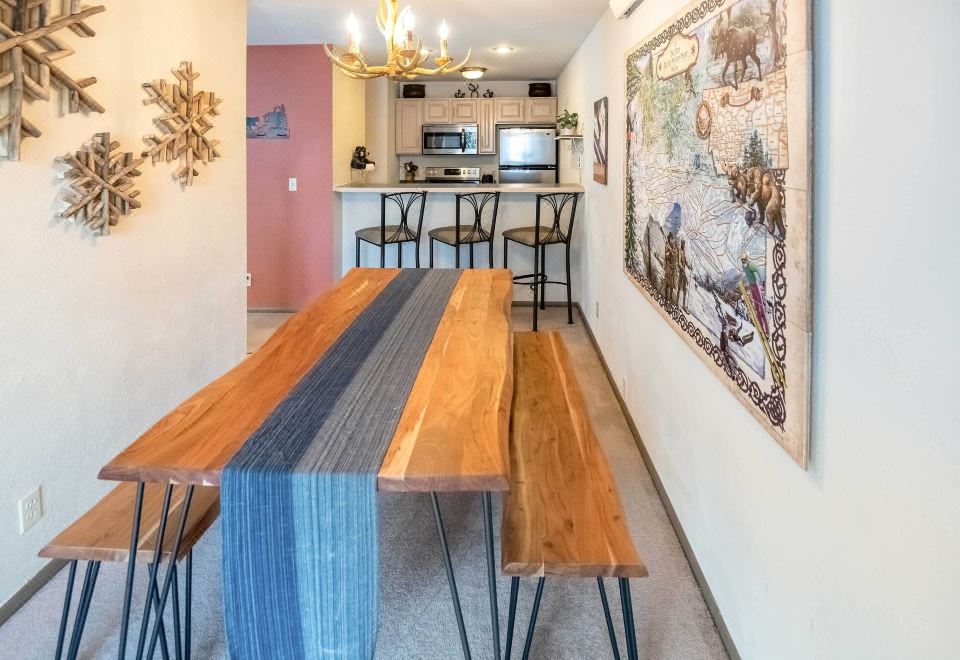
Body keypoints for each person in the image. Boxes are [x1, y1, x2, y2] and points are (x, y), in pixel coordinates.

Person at [740, 252, 769, 336]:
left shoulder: (750, 265)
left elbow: (758, 270)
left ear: (746, 258)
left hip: (756, 286)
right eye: (742, 260)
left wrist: (762, 281)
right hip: (751, 287)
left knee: (761, 308)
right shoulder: (744, 267)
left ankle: (767, 331)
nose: (743, 261)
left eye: (744, 259)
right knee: (757, 309)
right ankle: (761, 330)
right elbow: (747, 275)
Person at [664, 232, 677, 304]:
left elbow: (675, 256)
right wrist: (669, 253)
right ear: (669, 238)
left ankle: (670, 298)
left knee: (671, 284)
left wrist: (673, 251)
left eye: (672, 239)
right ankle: (666, 297)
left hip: (672, 268)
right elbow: (666, 256)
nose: (672, 240)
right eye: (671, 238)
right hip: (668, 267)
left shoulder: (673, 246)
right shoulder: (667, 246)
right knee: (667, 283)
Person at [677, 239, 690, 309]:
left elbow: (685, 261)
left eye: (684, 244)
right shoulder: (679, 251)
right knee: (679, 287)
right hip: (681, 271)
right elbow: (679, 262)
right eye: (682, 243)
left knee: (685, 289)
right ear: (681, 243)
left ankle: (684, 305)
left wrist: (689, 266)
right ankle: (676, 302)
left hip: (684, 272)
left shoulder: (683, 251)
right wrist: (682, 268)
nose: (683, 245)